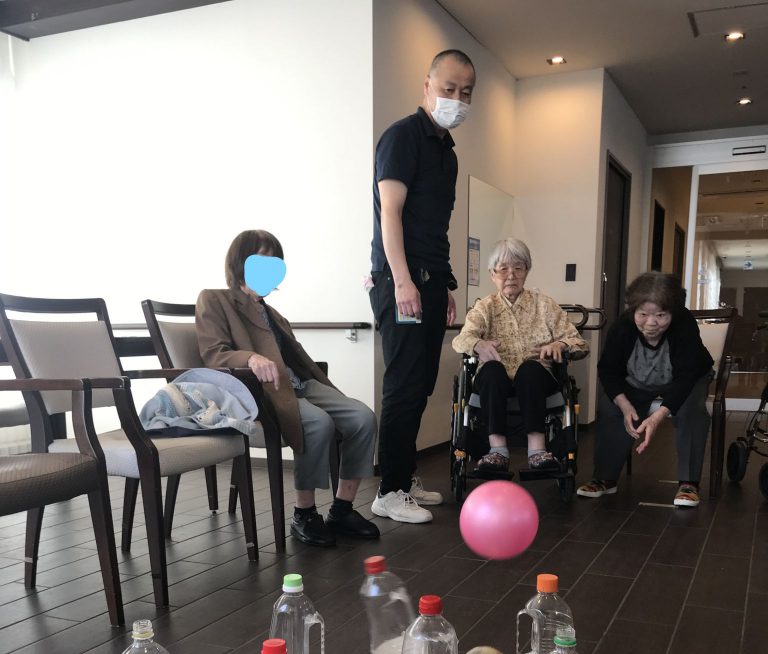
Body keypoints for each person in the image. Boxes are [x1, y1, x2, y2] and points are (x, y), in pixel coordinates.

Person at [196, 229, 380, 547]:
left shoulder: (274, 314)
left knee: (363, 417)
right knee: (317, 422)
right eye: (262, 261)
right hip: (261, 392)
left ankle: (342, 509)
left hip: (299, 383)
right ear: (241, 262)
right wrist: (250, 358)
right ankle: (304, 514)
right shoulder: (214, 299)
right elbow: (214, 353)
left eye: (275, 263)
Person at [369, 48, 476, 524]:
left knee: (421, 384)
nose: (457, 99)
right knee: (404, 384)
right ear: (427, 86)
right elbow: (390, 214)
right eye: (449, 89)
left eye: (466, 93)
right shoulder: (402, 137)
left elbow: (433, 227)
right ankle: (388, 491)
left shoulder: (446, 153)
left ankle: (404, 476)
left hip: (429, 281)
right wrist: (403, 281)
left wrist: (443, 284)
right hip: (403, 281)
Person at [577, 272, 713, 508]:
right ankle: (605, 478)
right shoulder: (623, 326)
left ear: (673, 311)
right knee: (610, 406)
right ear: (633, 310)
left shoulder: (684, 324)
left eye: (660, 315)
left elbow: (687, 376)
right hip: (638, 381)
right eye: (643, 315)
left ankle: (689, 483)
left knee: (691, 409)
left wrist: (658, 416)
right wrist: (624, 405)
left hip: (686, 380)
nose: (651, 323)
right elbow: (608, 370)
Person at [452, 238, 587, 473]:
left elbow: (579, 343)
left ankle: (537, 450)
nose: (511, 275)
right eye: (503, 269)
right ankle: (497, 451)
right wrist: (478, 344)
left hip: (536, 379)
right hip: (494, 381)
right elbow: (461, 340)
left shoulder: (545, 305)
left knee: (530, 368)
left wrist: (560, 344)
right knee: (492, 369)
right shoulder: (485, 307)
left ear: (527, 271)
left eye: (518, 268)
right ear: (492, 274)